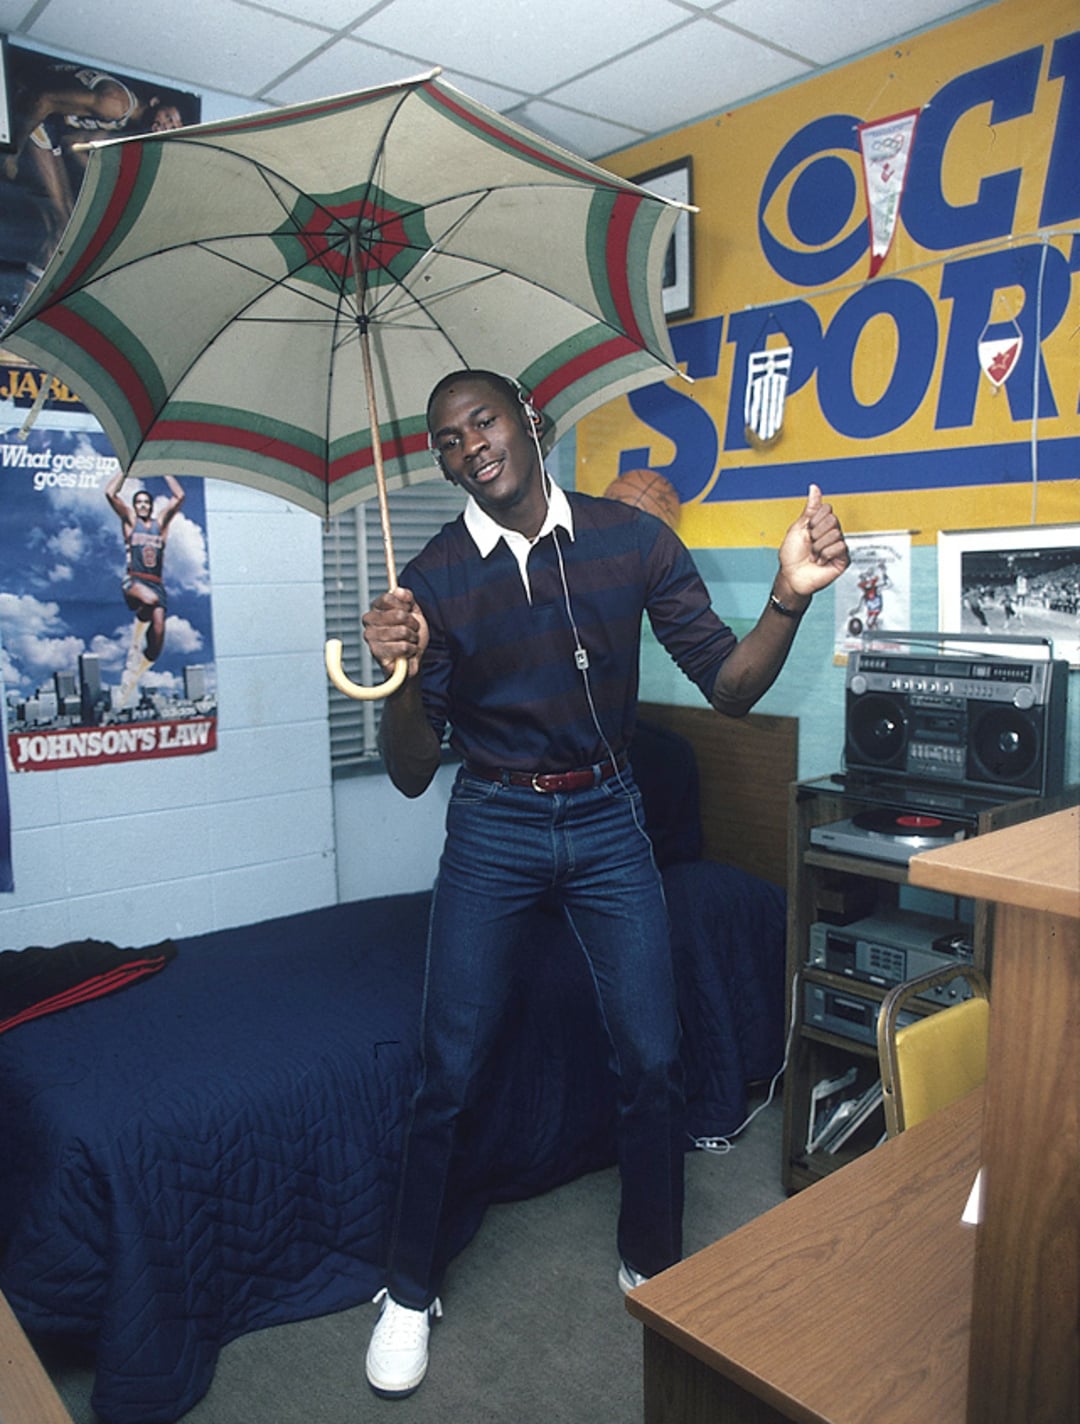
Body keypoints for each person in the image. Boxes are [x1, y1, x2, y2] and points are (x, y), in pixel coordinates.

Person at [360, 370, 850, 1399]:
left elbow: (728, 681)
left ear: (528, 423)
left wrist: (788, 595)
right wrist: (402, 672)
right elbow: (410, 770)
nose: (468, 446)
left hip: (611, 810)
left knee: (654, 1053)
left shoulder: (632, 542)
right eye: (447, 439)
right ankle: (409, 1285)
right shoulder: (432, 579)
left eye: (482, 422)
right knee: (448, 1061)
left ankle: (652, 1251)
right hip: (494, 819)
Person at [105, 472, 185, 663]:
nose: (142, 505)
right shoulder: (131, 522)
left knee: (157, 642)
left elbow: (179, 496)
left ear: (151, 506)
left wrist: (165, 471)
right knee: (150, 600)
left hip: (156, 583)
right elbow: (110, 493)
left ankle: (139, 663)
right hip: (134, 581)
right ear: (134, 506)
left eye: (146, 502)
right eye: (138, 502)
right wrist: (125, 471)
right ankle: (137, 633)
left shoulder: (160, 524)